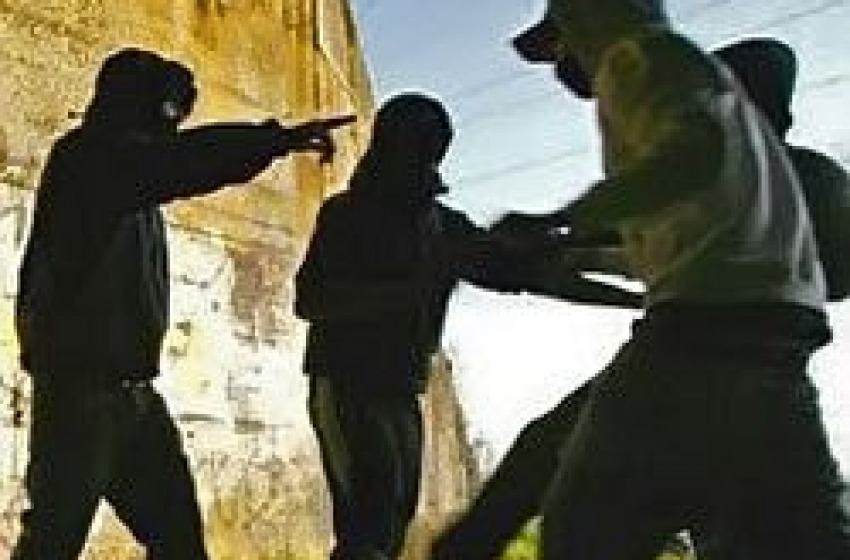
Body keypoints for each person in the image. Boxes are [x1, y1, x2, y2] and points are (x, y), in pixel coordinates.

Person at [431, 35, 850, 560]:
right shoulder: (801, 182)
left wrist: (548, 241)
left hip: (678, 369)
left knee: (548, 483)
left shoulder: (734, 171)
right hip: (770, 384)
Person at [12, 47, 353, 560]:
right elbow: (181, 161)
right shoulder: (90, 160)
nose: (171, 130)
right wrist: (272, 140)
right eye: (167, 115)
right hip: (79, 399)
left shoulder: (131, 183)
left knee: (179, 545)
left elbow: (171, 162)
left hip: (134, 399)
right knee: (52, 545)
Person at [294, 92, 641, 560]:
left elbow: (527, 272)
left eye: (429, 145)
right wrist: (414, 288)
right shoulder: (347, 216)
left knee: (389, 524)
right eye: (415, 143)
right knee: (368, 529)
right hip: (347, 384)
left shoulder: (441, 226)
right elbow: (311, 300)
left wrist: (638, 296)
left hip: (401, 387)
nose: (423, 156)